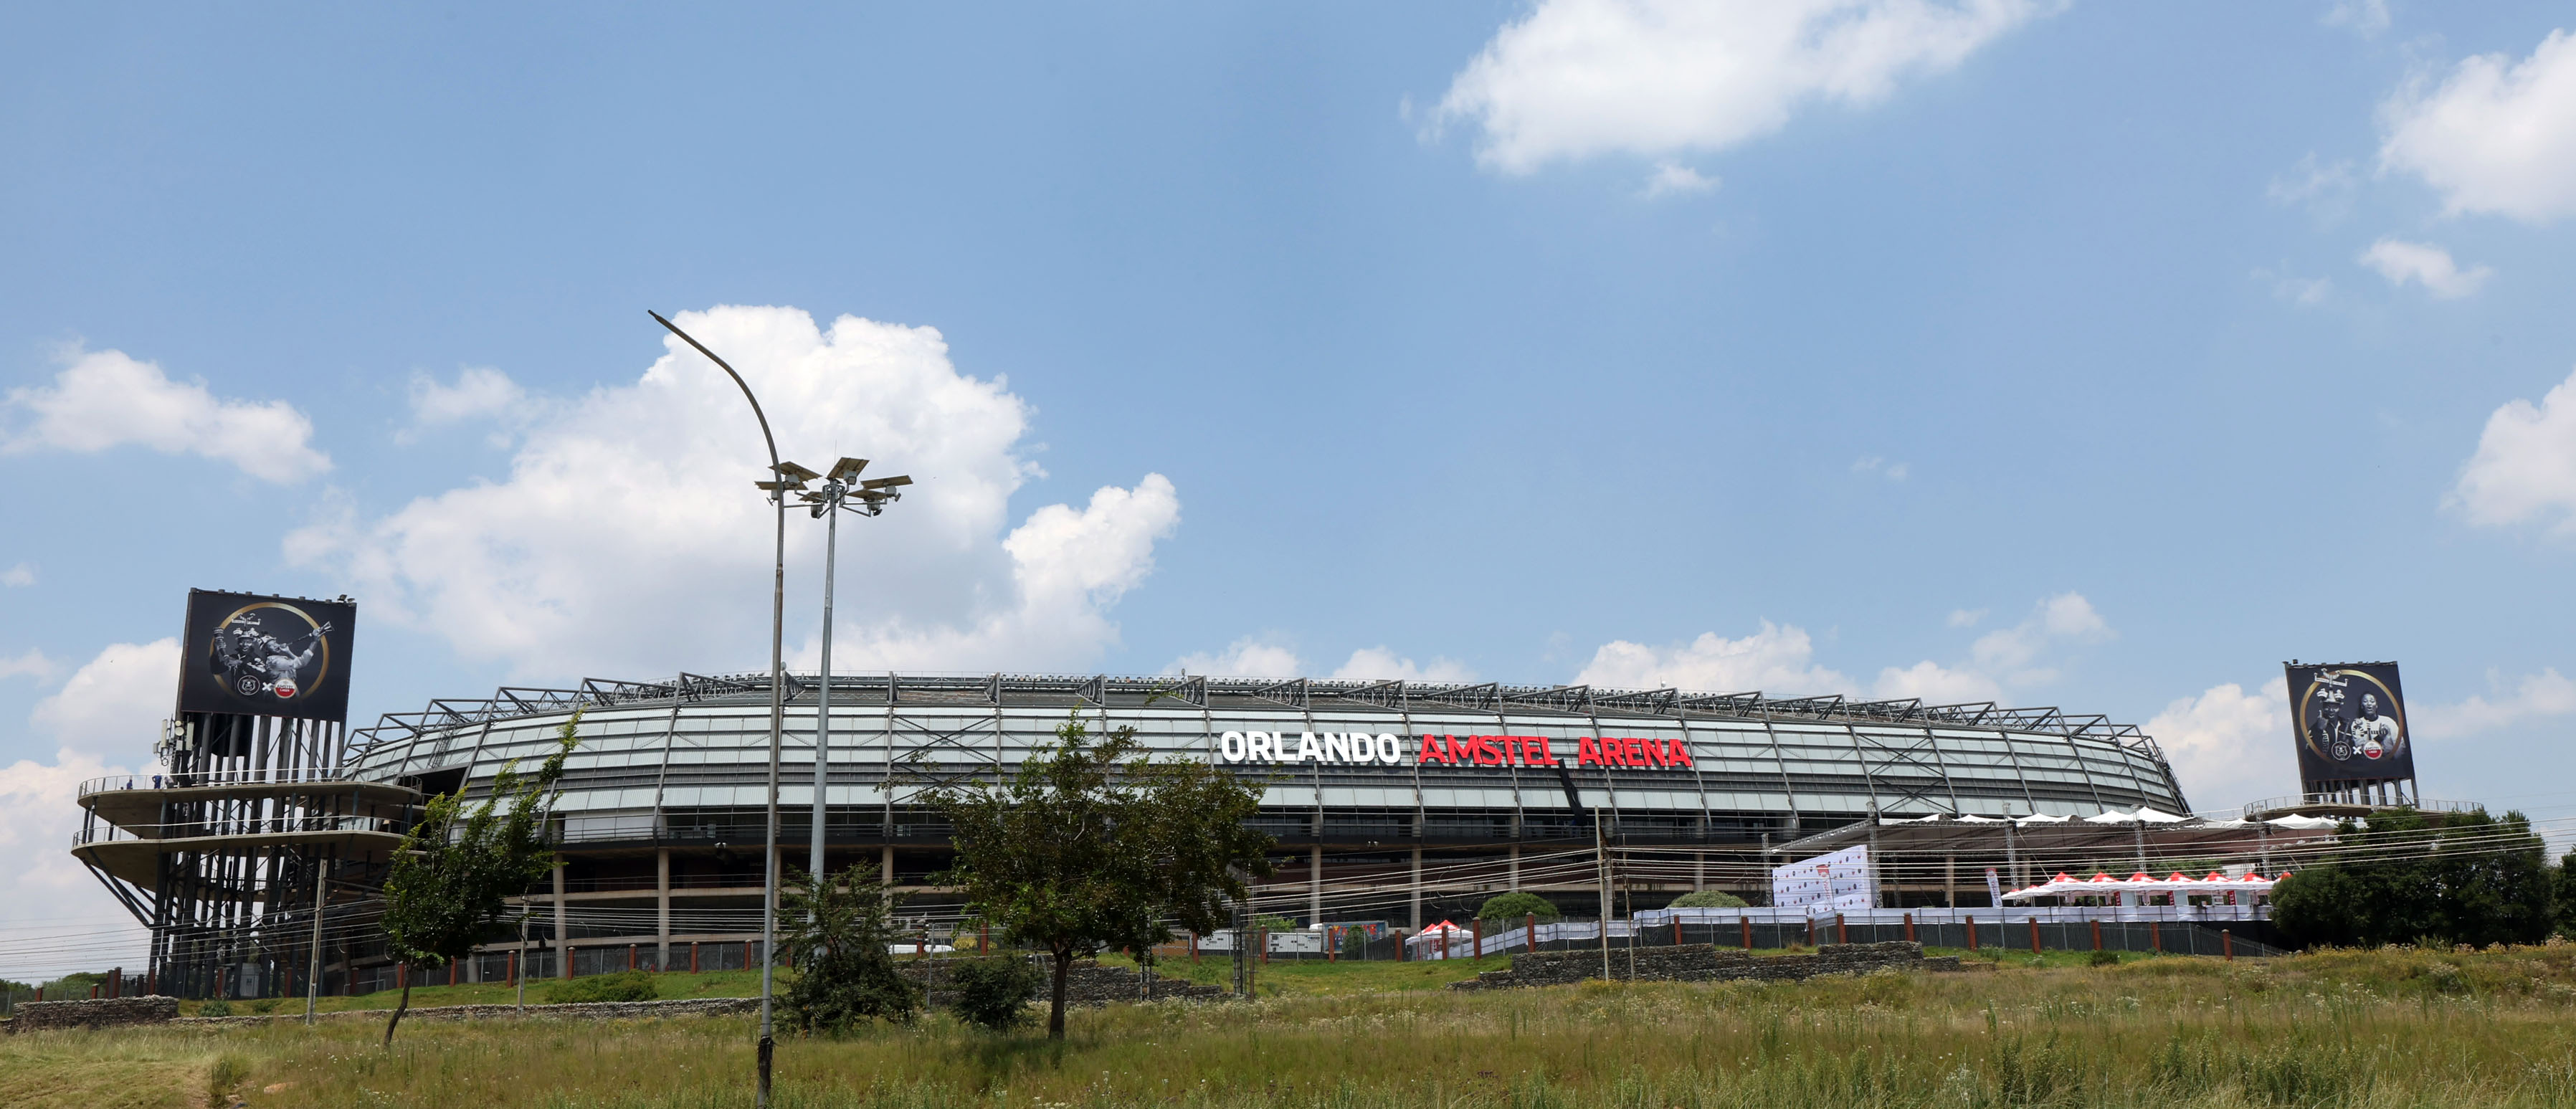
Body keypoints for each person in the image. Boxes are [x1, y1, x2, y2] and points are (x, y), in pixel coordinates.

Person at [2349, 693, 2400, 759]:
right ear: (2362, 706)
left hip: (2389, 762)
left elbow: (2400, 744)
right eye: (2365, 701)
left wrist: (2396, 761)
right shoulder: (2357, 724)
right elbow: (2360, 748)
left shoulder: (2389, 721)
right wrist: (2379, 737)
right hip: (2367, 763)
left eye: (2372, 701)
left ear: (2376, 705)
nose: (2369, 704)